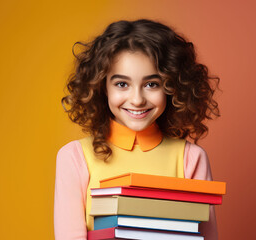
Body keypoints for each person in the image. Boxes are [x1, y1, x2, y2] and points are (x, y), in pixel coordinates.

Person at [54, 19, 220, 240]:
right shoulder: (75, 157)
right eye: (122, 84)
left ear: (172, 87)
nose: (137, 99)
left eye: (152, 84)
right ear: (101, 87)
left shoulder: (191, 158)